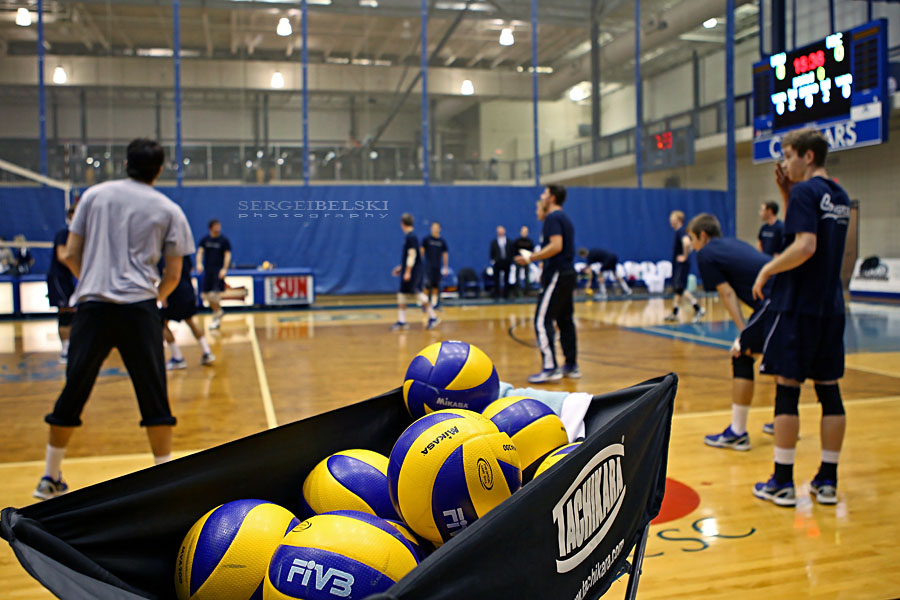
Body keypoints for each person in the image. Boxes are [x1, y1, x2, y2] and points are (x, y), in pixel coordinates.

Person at [34, 138, 194, 500]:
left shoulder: (93, 196)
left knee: (75, 388)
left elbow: (71, 254)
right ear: (160, 167)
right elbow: (173, 274)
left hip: (92, 306)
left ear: (126, 163)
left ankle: (49, 477)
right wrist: (155, 297)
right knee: (153, 392)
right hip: (139, 308)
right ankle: (164, 476)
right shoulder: (169, 209)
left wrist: (92, 279)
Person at [750, 128, 850, 507]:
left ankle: (782, 481)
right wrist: (787, 196)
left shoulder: (807, 192)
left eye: (789, 155)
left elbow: (806, 245)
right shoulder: (837, 194)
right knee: (829, 392)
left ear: (808, 157)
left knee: (787, 389)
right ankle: (827, 480)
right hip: (831, 307)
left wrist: (767, 270)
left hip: (799, 307)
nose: (784, 163)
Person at [687, 213, 774, 451]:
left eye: (692, 239)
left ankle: (737, 432)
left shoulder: (706, 253)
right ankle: (784, 420)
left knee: (741, 354)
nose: (692, 246)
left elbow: (727, 294)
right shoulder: (733, 243)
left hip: (773, 301)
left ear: (703, 236)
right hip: (790, 295)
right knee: (780, 359)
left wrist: (743, 331)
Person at [516, 185, 578, 383]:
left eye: (544, 193)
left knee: (542, 320)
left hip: (559, 274)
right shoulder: (564, 218)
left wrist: (531, 258)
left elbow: (556, 246)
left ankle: (550, 367)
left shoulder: (553, 218)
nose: (541, 196)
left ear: (551, 198)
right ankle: (571, 365)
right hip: (567, 273)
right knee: (565, 320)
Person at [161, 254, 215, 369]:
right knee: (190, 321)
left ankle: (178, 358)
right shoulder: (184, 254)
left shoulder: (164, 255)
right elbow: (190, 269)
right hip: (188, 291)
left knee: (162, 324)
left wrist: (163, 296)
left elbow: (167, 274)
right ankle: (207, 351)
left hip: (173, 293)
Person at [392, 213, 438, 331]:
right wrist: (401, 268)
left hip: (414, 271)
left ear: (402, 224)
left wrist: (407, 271)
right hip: (411, 269)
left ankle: (433, 317)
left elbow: (412, 255)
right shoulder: (410, 236)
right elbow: (410, 256)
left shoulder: (411, 237)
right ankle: (402, 321)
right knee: (402, 294)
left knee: (418, 294)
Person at [47, 207, 77, 364]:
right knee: (66, 312)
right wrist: (80, 272)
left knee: (73, 313)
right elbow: (62, 257)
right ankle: (65, 351)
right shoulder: (64, 234)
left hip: (69, 278)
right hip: (59, 278)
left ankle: (71, 347)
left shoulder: (79, 236)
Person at [664, 210, 705, 323]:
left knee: (680, 288)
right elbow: (691, 245)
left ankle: (698, 308)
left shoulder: (681, 231)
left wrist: (684, 256)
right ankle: (675, 313)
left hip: (681, 265)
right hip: (679, 265)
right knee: (678, 289)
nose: (671, 221)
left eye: (673, 219)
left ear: (679, 220)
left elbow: (687, 243)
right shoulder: (679, 232)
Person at [196, 219, 232, 330]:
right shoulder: (205, 240)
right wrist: (199, 264)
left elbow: (227, 255)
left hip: (218, 272)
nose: (218, 228)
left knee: (214, 295)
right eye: (216, 226)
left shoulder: (223, 241)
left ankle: (217, 315)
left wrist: (224, 269)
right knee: (205, 295)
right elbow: (200, 252)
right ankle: (218, 312)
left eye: (219, 225)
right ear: (210, 227)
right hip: (208, 271)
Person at [421, 222, 449, 310]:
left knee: (436, 286)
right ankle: (424, 305)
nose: (434, 229)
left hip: (437, 266)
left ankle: (434, 304)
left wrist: (445, 267)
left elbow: (445, 254)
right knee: (426, 285)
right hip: (428, 267)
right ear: (431, 229)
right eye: (433, 227)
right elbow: (421, 252)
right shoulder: (426, 239)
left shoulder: (442, 241)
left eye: (436, 227)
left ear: (439, 229)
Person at [490, 226, 513, 300]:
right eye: (499, 231)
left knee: (507, 278)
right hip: (498, 262)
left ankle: (506, 294)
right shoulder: (494, 242)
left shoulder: (509, 241)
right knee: (496, 279)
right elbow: (492, 252)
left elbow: (511, 251)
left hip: (507, 262)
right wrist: (493, 260)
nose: (500, 232)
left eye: (501, 230)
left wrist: (511, 260)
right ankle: (497, 294)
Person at [512, 226, 535, 296]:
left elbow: (532, 251)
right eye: (523, 231)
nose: (524, 233)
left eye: (526, 232)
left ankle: (527, 292)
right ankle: (516, 292)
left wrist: (528, 258)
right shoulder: (517, 241)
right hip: (519, 260)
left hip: (527, 260)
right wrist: (517, 258)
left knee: (527, 276)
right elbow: (514, 251)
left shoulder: (529, 241)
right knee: (517, 275)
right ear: (521, 232)